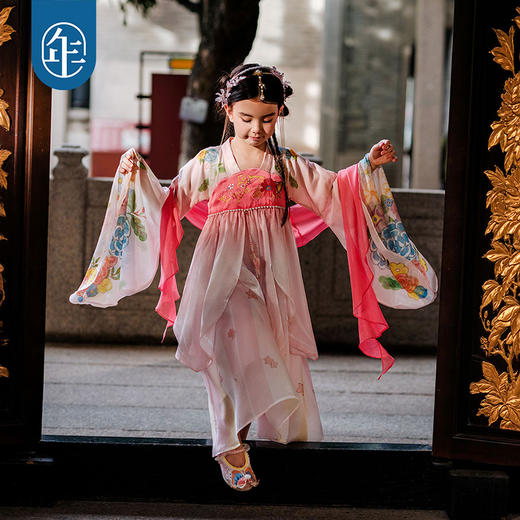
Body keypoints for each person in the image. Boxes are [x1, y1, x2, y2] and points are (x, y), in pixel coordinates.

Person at [70, 63, 438, 492]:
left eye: (267, 118)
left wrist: (367, 166)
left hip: (271, 272)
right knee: (227, 349)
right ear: (227, 111)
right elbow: (169, 204)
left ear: (280, 113)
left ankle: (249, 439)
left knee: (260, 351)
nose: (256, 129)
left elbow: (336, 190)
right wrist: (140, 175)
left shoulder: (286, 165)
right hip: (220, 270)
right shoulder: (209, 162)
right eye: (246, 119)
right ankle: (228, 442)